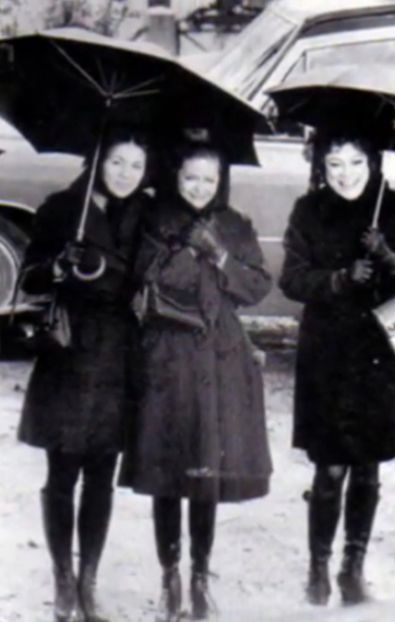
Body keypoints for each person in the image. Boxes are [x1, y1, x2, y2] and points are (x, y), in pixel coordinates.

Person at [279, 127, 395, 607]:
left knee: (368, 467)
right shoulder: (309, 210)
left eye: (355, 163)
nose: (345, 174)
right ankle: (318, 567)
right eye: (334, 165)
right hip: (328, 353)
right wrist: (340, 279)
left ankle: (353, 567)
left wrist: (389, 258)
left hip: (381, 353)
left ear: (373, 162)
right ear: (321, 167)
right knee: (329, 469)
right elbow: (291, 278)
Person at [119, 138, 273, 621]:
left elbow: (256, 288)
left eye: (209, 179)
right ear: (175, 177)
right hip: (168, 357)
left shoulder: (235, 225)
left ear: (220, 181)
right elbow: (144, 283)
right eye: (190, 178)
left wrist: (222, 257)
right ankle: (170, 577)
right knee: (170, 471)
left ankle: (201, 578)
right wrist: (186, 249)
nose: (200, 187)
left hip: (220, 358)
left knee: (207, 471)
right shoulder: (154, 220)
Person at [18, 126, 153, 622]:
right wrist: (57, 266)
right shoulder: (62, 208)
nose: (126, 174)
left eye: (136, 166)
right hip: (71, 351)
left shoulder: (144, 214)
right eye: (117, 162)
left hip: (120, 352)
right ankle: (62, 582)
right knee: (63, 471)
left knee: (101, 472)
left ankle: (89, 580)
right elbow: (29, 279)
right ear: (97, 159)